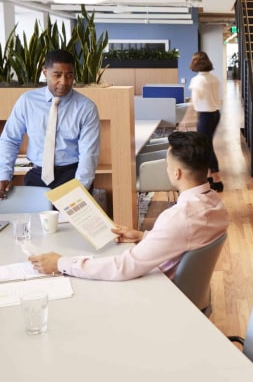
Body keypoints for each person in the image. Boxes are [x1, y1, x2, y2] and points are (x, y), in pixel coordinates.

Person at [28, 131, 229, 281]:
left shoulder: (179, 217)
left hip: (158, 293)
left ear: (176, 173)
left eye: (167, 165)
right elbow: (186, 238)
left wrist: (61, 263)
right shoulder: (215, 204)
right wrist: (143, 237)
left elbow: (123, 267)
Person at [0, 49, 100, 200]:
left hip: (72, 176)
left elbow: (89, 153)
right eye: (57, 75)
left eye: (69, 75)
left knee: (68, 217)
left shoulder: (86, 108)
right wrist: (4, 174)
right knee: (33, 216)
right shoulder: (27, 101)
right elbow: (10, 140)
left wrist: (80, 189)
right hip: (36, 176)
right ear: (45, 72)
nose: (64, 82)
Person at [189, 51, 223, 192]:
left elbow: (195, 100)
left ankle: (217, 180)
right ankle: (209, 176)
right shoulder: (214, 79)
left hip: (204, 115)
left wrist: (188, 117)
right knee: (207, 144)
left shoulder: (197, 80)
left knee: (206, 146)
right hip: (215, 114)